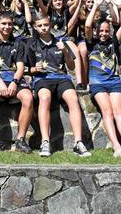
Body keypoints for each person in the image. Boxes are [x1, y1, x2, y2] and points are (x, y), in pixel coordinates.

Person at [84, 0, 121, 158]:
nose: (103, 33)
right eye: (101, 31)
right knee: (107, 112)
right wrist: (96, 6)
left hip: (114, 81)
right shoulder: (91, 42)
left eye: (106, 31)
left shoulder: (114, 41)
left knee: (119, 112)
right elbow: (87, 25)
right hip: (98, 84)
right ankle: (117, 148)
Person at [28, 14, 90, 157]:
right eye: (40, 26)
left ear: (50, 25)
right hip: (42, 79)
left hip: (61, 77)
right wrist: (34, 69)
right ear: (36, 28)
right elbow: (27, 69)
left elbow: (71, 66)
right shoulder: (31, 45)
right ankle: (45, 142)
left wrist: (65, 51)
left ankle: (78, 142)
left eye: (46, 25)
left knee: (73, 99)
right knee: (44, 98)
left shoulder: (61, 42)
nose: (44, 28)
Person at [0, 11, 34, 153]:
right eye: (4, 23)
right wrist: (0, 83)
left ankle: (20, 140)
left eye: (10, 24)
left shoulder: (19, 43)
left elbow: (21, 67)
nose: (7, 26)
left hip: (14, 78)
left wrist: (14, 82)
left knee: (28, 98)